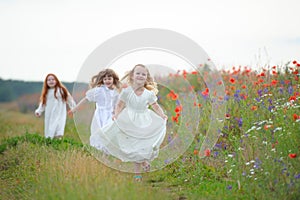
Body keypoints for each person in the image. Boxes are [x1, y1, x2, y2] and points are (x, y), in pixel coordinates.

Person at [97, 64, 168, 182]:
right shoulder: (126, 91)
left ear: (146, 77)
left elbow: (155, 106)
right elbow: (120, 104)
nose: (140, 76)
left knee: (141, 145)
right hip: (128, 120)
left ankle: (138, 174)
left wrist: (162, 115)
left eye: (143, 74)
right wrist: (116, 114)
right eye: (138, 73)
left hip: (144, 121)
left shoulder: (148, 93)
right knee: (132, 146)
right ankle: (142, 164)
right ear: (132, 76)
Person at [69, 69, 121, 150]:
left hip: (111, 115)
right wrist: (75, 109)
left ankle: (108, 150)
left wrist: (117, 114)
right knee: (99, 132)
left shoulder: (116, 92)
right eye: (105, 79)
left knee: (109, 132)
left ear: (113, 79)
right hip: (100, 115)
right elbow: (86, 99)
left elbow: (117, 105)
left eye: (109, 78)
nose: (107, 81)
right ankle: (102, 151)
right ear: (102, 80)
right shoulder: (99, 90)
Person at [35, 73, 76, 139]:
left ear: (56, 81)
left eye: (53, 79)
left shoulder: (61, 90)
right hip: (50, 114)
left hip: (59, 113)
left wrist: (73, 108)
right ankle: (50, 142)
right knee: (50, 129)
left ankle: (58, 141)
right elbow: (43, 103)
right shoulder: (46, 92)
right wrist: (39, 111)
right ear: (46, 82)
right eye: (49, 80)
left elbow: (69, 99)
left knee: (58, 128)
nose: (51, 81)